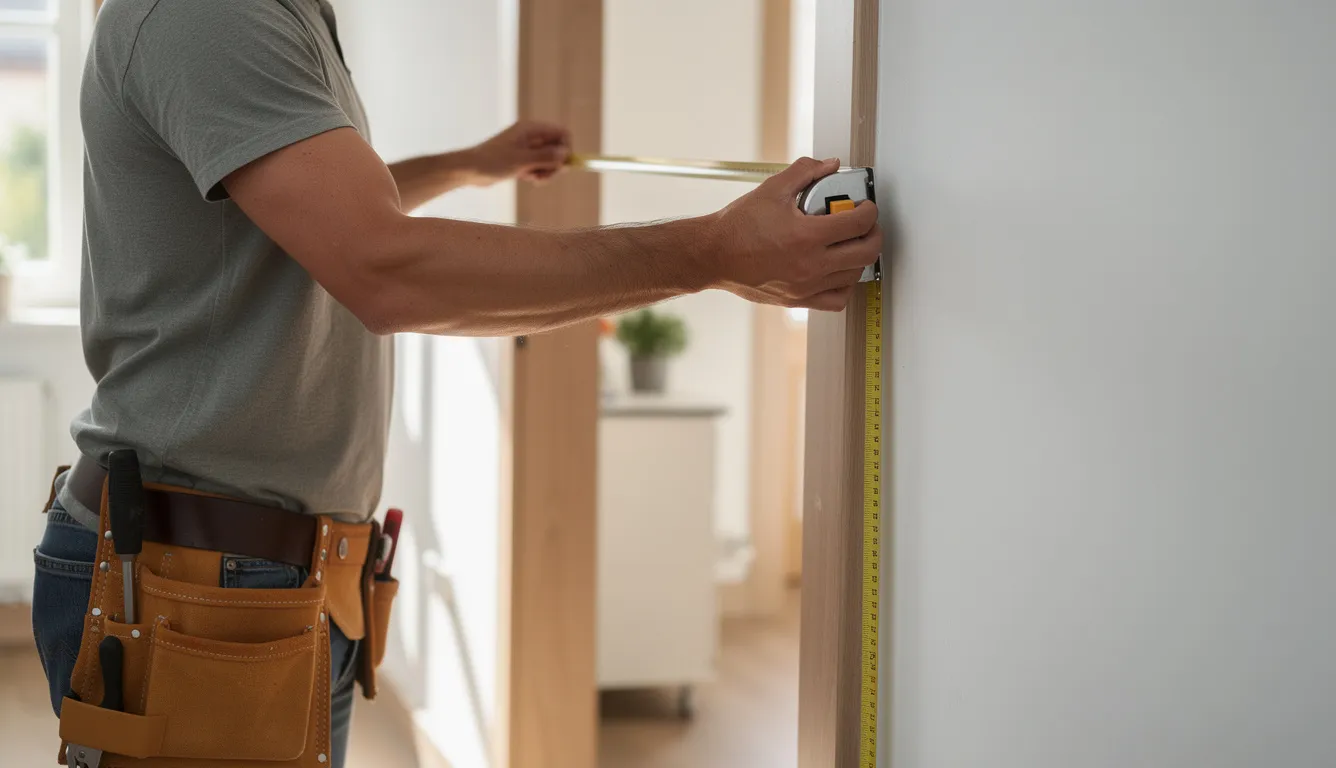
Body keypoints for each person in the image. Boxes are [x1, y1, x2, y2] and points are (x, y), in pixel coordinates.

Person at [32, 1, 882, 766]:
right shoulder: (208, 14)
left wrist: (472, 165)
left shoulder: (276, 13)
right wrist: (713, 252)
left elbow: (314, 208)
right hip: (190, 583)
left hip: (268, 576)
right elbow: (383, 269)